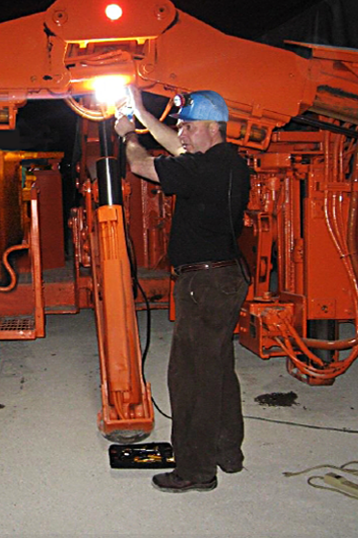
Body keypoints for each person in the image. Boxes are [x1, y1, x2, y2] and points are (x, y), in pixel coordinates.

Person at [114, 88, 251, 493]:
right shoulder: (228, 161)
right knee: (218, 368)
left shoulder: (201, 169)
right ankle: (229, 451)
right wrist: (140, 110)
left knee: (190, 377)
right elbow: (179, 148)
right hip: (226, 278)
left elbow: (141, 166)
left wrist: (129, 135)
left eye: (187, 126)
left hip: (204, 284)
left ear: (210, 127)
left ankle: (195, 469)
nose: (181, 133)